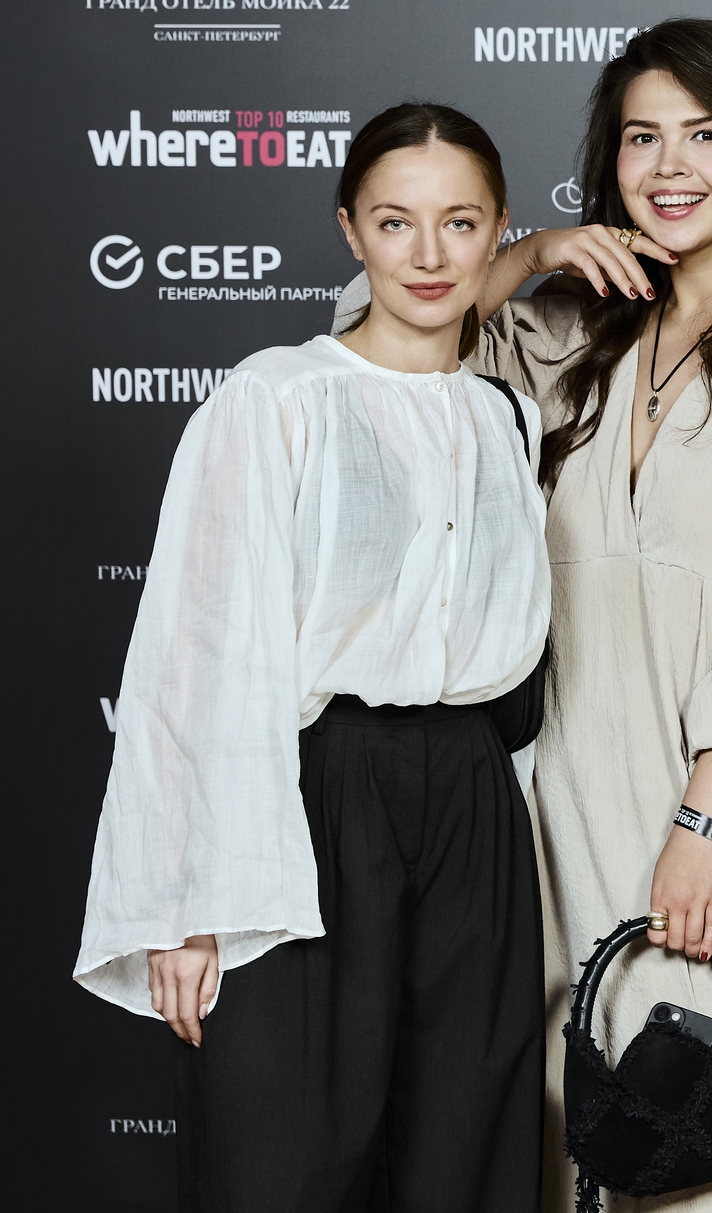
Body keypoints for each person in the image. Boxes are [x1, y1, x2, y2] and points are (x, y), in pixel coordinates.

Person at [339, 19, 712, 1212]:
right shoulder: (576, 327)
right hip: (568, 803)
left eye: (705, 133)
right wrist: (537, 249)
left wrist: (707, 815)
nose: (670, 165)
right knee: (600, 1135)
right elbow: (380, 338)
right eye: (642, 138)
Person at [76, 103, 551, 1211]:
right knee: (282, 1159)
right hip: (310, 790)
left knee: (464, 1158)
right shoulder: (273, 395)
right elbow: (198, 656)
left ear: (499, 233)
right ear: (349, 230)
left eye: (459, 223)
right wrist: (188, 904)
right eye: (394, 222)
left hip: (475, 798)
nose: (428, 254)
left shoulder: (508, 417)